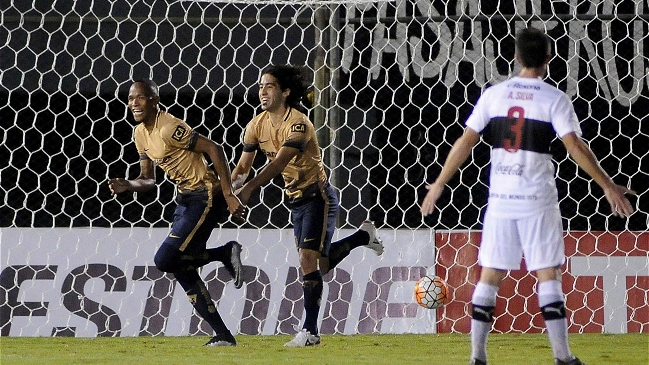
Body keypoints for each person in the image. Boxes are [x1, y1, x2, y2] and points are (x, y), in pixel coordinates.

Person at [420, 28, 634, 365]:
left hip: (502, 199)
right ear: (549, 59)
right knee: (548, 275)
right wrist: (607, 185)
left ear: (516, 57)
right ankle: (563, 357)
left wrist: (438, 183)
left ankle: (477, 357)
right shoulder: (553, 98)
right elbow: (575, 145)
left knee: (489, 275)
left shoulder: (494, 95)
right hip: (537, 200)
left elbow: (466, 140)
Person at [231, 64, 385, 347]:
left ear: (285, 92)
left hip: (318, 196)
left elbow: (278, 163)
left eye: (269, 87)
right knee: (319, 264)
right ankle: (364, 236)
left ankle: (310, 332)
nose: (262, 92)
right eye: (260, 86)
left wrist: (250, 188)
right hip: (295, 201)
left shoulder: (299, 123)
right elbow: (243, 166)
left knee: (306, 260)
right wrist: (231, 191)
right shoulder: (256, 125)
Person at [108, 79, 246, 347]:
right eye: (130, 98)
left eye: (140, 97)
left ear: (154, 100)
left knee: (164, 259)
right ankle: (224, 335)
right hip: (184, 199)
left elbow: (214, 148)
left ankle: (223, 252)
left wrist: (228, 195)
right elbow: (148, 179)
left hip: (204, 195)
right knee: (181, 267)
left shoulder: (169, 127)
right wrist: (128, 185)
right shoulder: (140, 134)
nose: (133, 103)